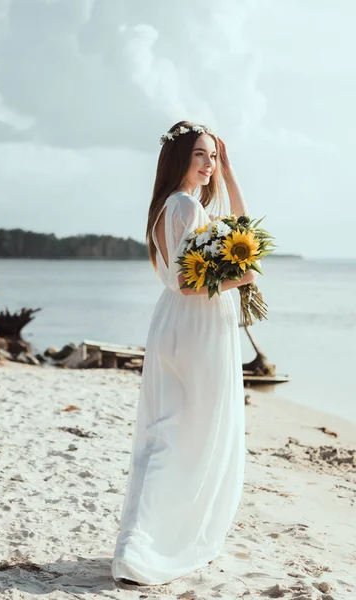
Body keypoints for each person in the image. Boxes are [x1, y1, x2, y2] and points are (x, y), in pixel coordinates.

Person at [111, 120, 258, 586]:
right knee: (190, 434)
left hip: (172, 325)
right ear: (179, 158)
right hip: (197, 327)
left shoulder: (167, 206)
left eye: (213, 156)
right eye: (200, 155)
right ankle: (145, 548)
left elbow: (242, 229)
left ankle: (138, 543)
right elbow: (188, 283)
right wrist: (244, 279)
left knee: (168, 432)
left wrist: (229, 171)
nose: (209, 164)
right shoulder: (186, 207)